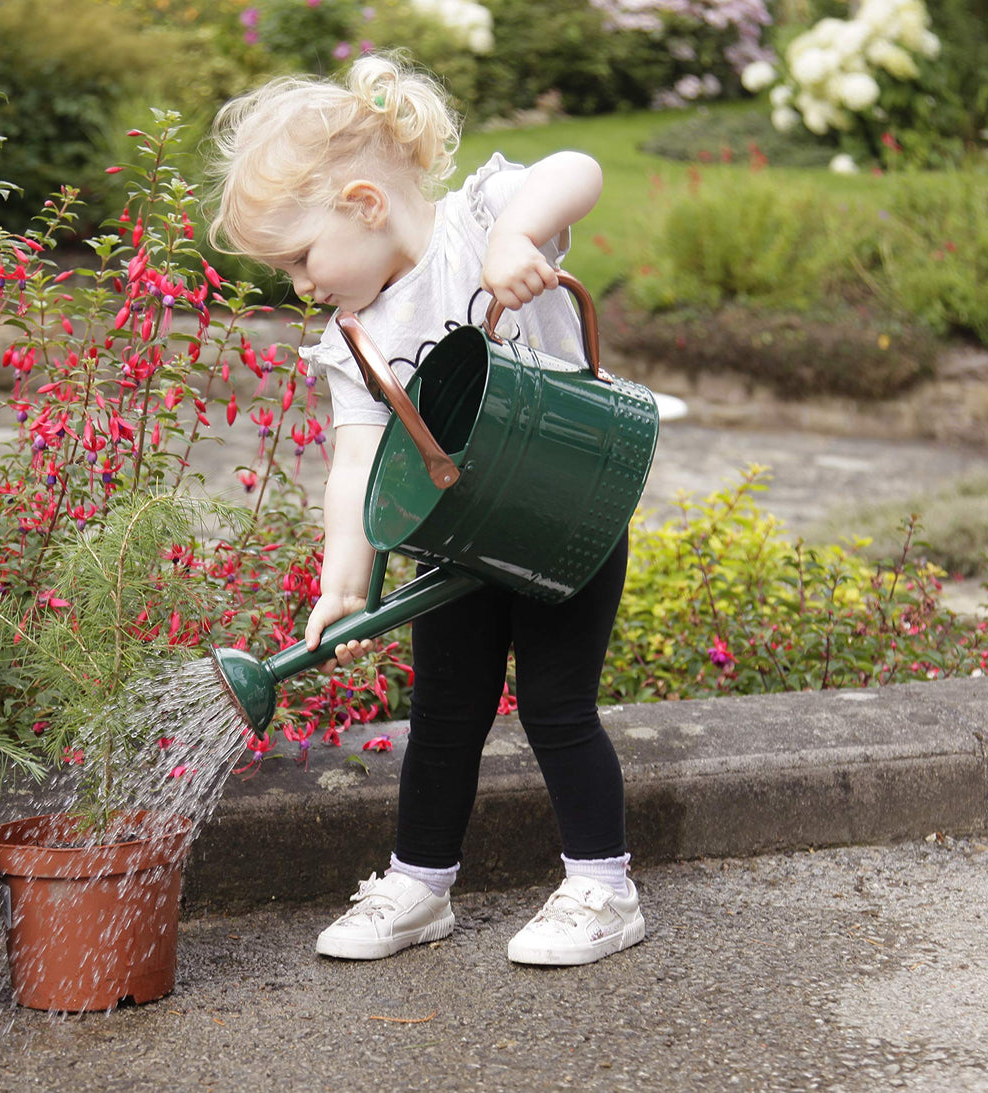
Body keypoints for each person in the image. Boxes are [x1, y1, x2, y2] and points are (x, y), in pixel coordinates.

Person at [207, 53, 642, 968]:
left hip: (568, 511)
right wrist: (343, 582)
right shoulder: (357, 335)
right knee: (444, 710)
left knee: (559, 705)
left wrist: (515, 240)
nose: (299, 284)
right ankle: (418, 884)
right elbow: (354, 460)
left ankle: (602, 887)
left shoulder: (480, 226)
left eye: (299, 256)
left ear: (364, 203)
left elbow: (579, 170)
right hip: (458, 541)